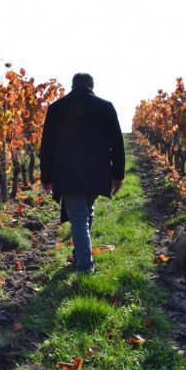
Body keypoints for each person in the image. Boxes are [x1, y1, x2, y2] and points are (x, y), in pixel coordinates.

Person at [39, 73, 125, 273]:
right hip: (97, 173)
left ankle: (84, 265)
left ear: (73, 85)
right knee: (82, 215)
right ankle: (83, 262)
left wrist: (46, 177)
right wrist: (117, 174)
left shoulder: (56, 108)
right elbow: (117, 145)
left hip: (67, 172)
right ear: (92, 86)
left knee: (80, 216)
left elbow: (47, 147)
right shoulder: (106, 107)